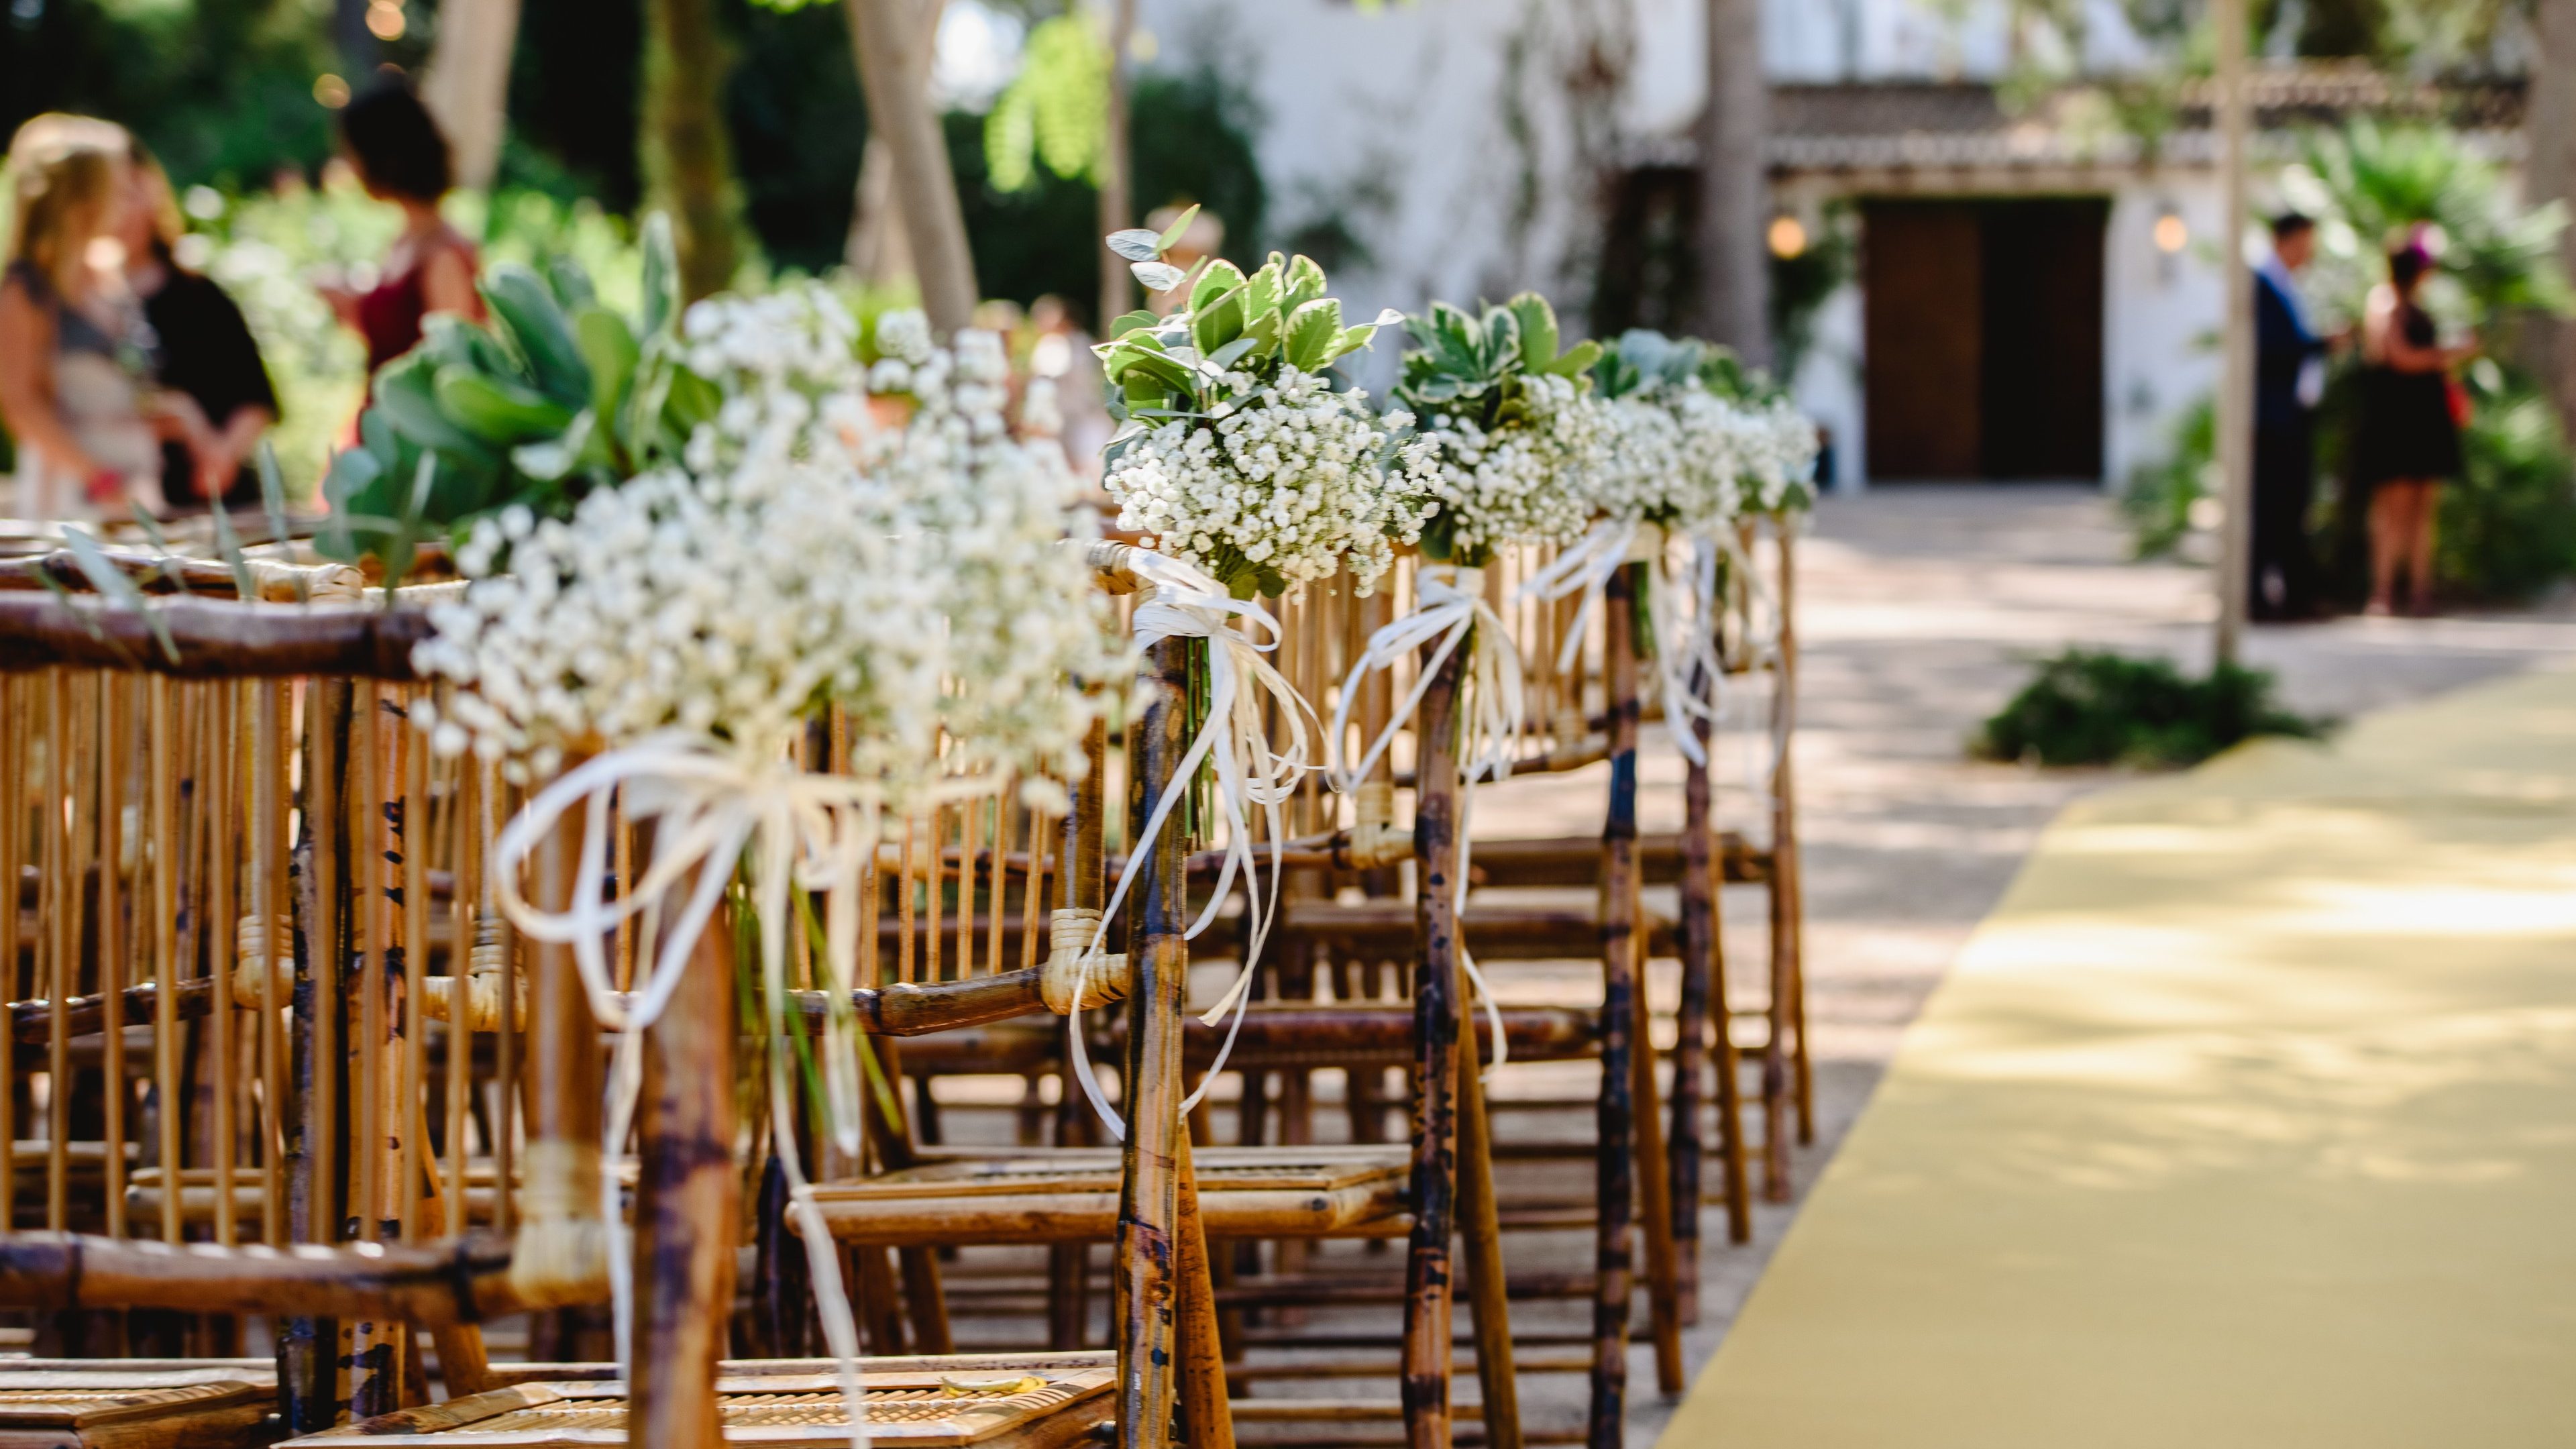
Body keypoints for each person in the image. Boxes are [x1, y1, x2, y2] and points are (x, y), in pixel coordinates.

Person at [0, 117, 174, 522]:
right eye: (116, 185)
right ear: (82, 197)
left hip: (137, 482)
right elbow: (20, 403)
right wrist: (98, 480)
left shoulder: (110, 276)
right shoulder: (27, 289)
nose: (125, 196)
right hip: (73, 489)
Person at [119, 141, 280, 512]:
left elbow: (256, 397)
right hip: (122, 500)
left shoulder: (199, 294)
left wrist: (221, 456)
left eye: (132, 193)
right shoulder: (82, 307)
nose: (123, 211)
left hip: (216, 503)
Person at [318, 80, 482, 374]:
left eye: (353, 153)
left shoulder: (443, 256)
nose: (350, 166)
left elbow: (454, 369)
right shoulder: (406, 240)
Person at [2353, 235, 2475, 616]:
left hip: (2425, 415)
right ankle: (2384, 592)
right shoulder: (2383, 303)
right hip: (2396, 417)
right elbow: (2398, 356)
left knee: (2423, 506)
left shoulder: (2417, 306)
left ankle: (2421, 591)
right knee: (2393, 506)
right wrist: (2448, 354)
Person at [2251, 213, 2331, 620]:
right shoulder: (2261, 284)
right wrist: (2319, 345)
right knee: (2270, 508)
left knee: (2292, 507)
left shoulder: (2288, 287)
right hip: (2272, 419)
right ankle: (2260, 597)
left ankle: (2293, 594)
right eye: (2306, 242)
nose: (2310, 253)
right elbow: (2269, 347)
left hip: (2294, 416)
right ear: (2288, 240)